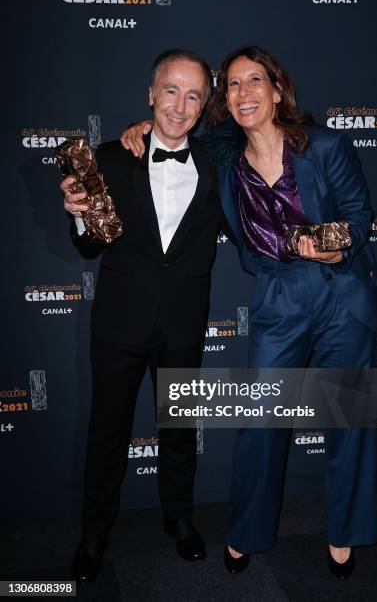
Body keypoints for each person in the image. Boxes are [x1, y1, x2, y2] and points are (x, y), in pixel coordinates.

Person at [121, 45, 377, 580]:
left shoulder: (326, 145)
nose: (244, 93)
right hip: (278, 296)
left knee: (350, 422)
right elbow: (169, 136)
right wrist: (139, 129)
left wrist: (340, 245)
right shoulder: (221, 163)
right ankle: (246, 531)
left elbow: (360, 215)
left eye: (254, 81)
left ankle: (345, 533)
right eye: (234, 85)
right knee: (261, 421)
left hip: (342, 295)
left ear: (276, 89)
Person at [60, 49, 223, 583]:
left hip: (182, 324)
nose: (180, 106)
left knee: (179, 430)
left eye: (193, 94)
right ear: (151, 94)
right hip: (120, 323)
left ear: (205, 104)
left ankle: (179, 520)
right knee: (107, 432)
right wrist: (82, 218)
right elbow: (88, 249)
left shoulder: (219, 164)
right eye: (170, 91)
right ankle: (94, 534)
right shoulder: (109, 157)